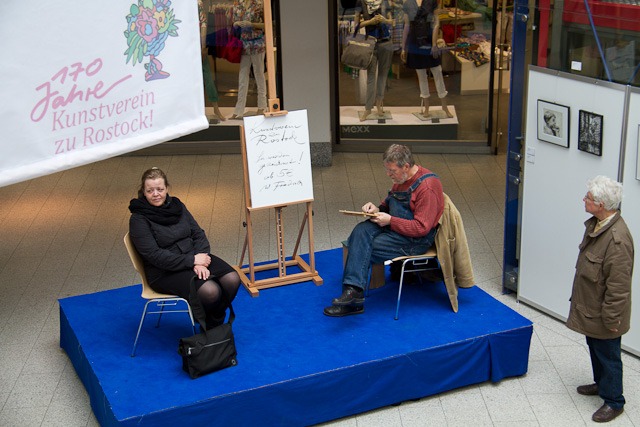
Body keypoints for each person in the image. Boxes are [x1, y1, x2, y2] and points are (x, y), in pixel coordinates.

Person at [324, 144, 444, 316]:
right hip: (397, 229)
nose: (388, 174)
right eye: (387, 170)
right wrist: (376, 209)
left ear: (406, 167)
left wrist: (390, 221)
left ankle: (353, 298)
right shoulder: (401, 179)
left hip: (415, 240)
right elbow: (389, 203)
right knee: (361, 231)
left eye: (392, 171)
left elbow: (421, 228)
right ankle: (353, 293)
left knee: (363, 246)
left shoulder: (427, 187)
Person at [129, 167, 240, 329]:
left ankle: (211, 322)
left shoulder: (177, 206)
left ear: (167, 188)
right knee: (210, 291)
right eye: (150, 190)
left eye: (160, 189)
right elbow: (154, 255)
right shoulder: (138, 219)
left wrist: (200, 260)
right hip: (163, 272)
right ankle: (212, 328)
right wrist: (192, 261)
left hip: (193, 256)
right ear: (143, 192)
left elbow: (198, 234)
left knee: (232, 278)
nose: (155, 194)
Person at [566, 175, 634, 423]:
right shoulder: (597, 224)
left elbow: (618, 287)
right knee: (595, 348)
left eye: (589, 198)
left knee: (609, 355)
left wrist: (612, 319)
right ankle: (601, 384)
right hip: (591, 307)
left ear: (602, 205)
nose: (584, 200)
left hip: (605, 314)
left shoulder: (617, 240)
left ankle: (614, 401)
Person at [401, 0, 453, 119]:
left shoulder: (432, 1)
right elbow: (407, 25)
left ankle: (444, 107)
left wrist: (434, 43)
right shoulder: (408, 3)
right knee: (421, 76)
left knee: (438, 72)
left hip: (429, 41)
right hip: (414, 43)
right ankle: (426, 108)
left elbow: (436, 23)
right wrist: (403, 47)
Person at [355, 0, 395, 121]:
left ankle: (379, 104)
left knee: (383, 75)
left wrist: (384, 20)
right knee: (371, 77)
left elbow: (392, 22)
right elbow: (356, 25)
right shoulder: (361, 2)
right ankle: (368, 108)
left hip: (386, 42)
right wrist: (370, 22)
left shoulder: (384, 2)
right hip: (371, 43)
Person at [229, 0, 268, 120]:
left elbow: (268, 24)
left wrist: (252, 24)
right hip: (244, 44)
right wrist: (236, 24)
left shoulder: (259, 4)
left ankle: (262, 106)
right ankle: (239, 110)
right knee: (242, 77)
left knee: (259, 75)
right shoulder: (237, 4)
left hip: (257, 43)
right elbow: (232, 24)